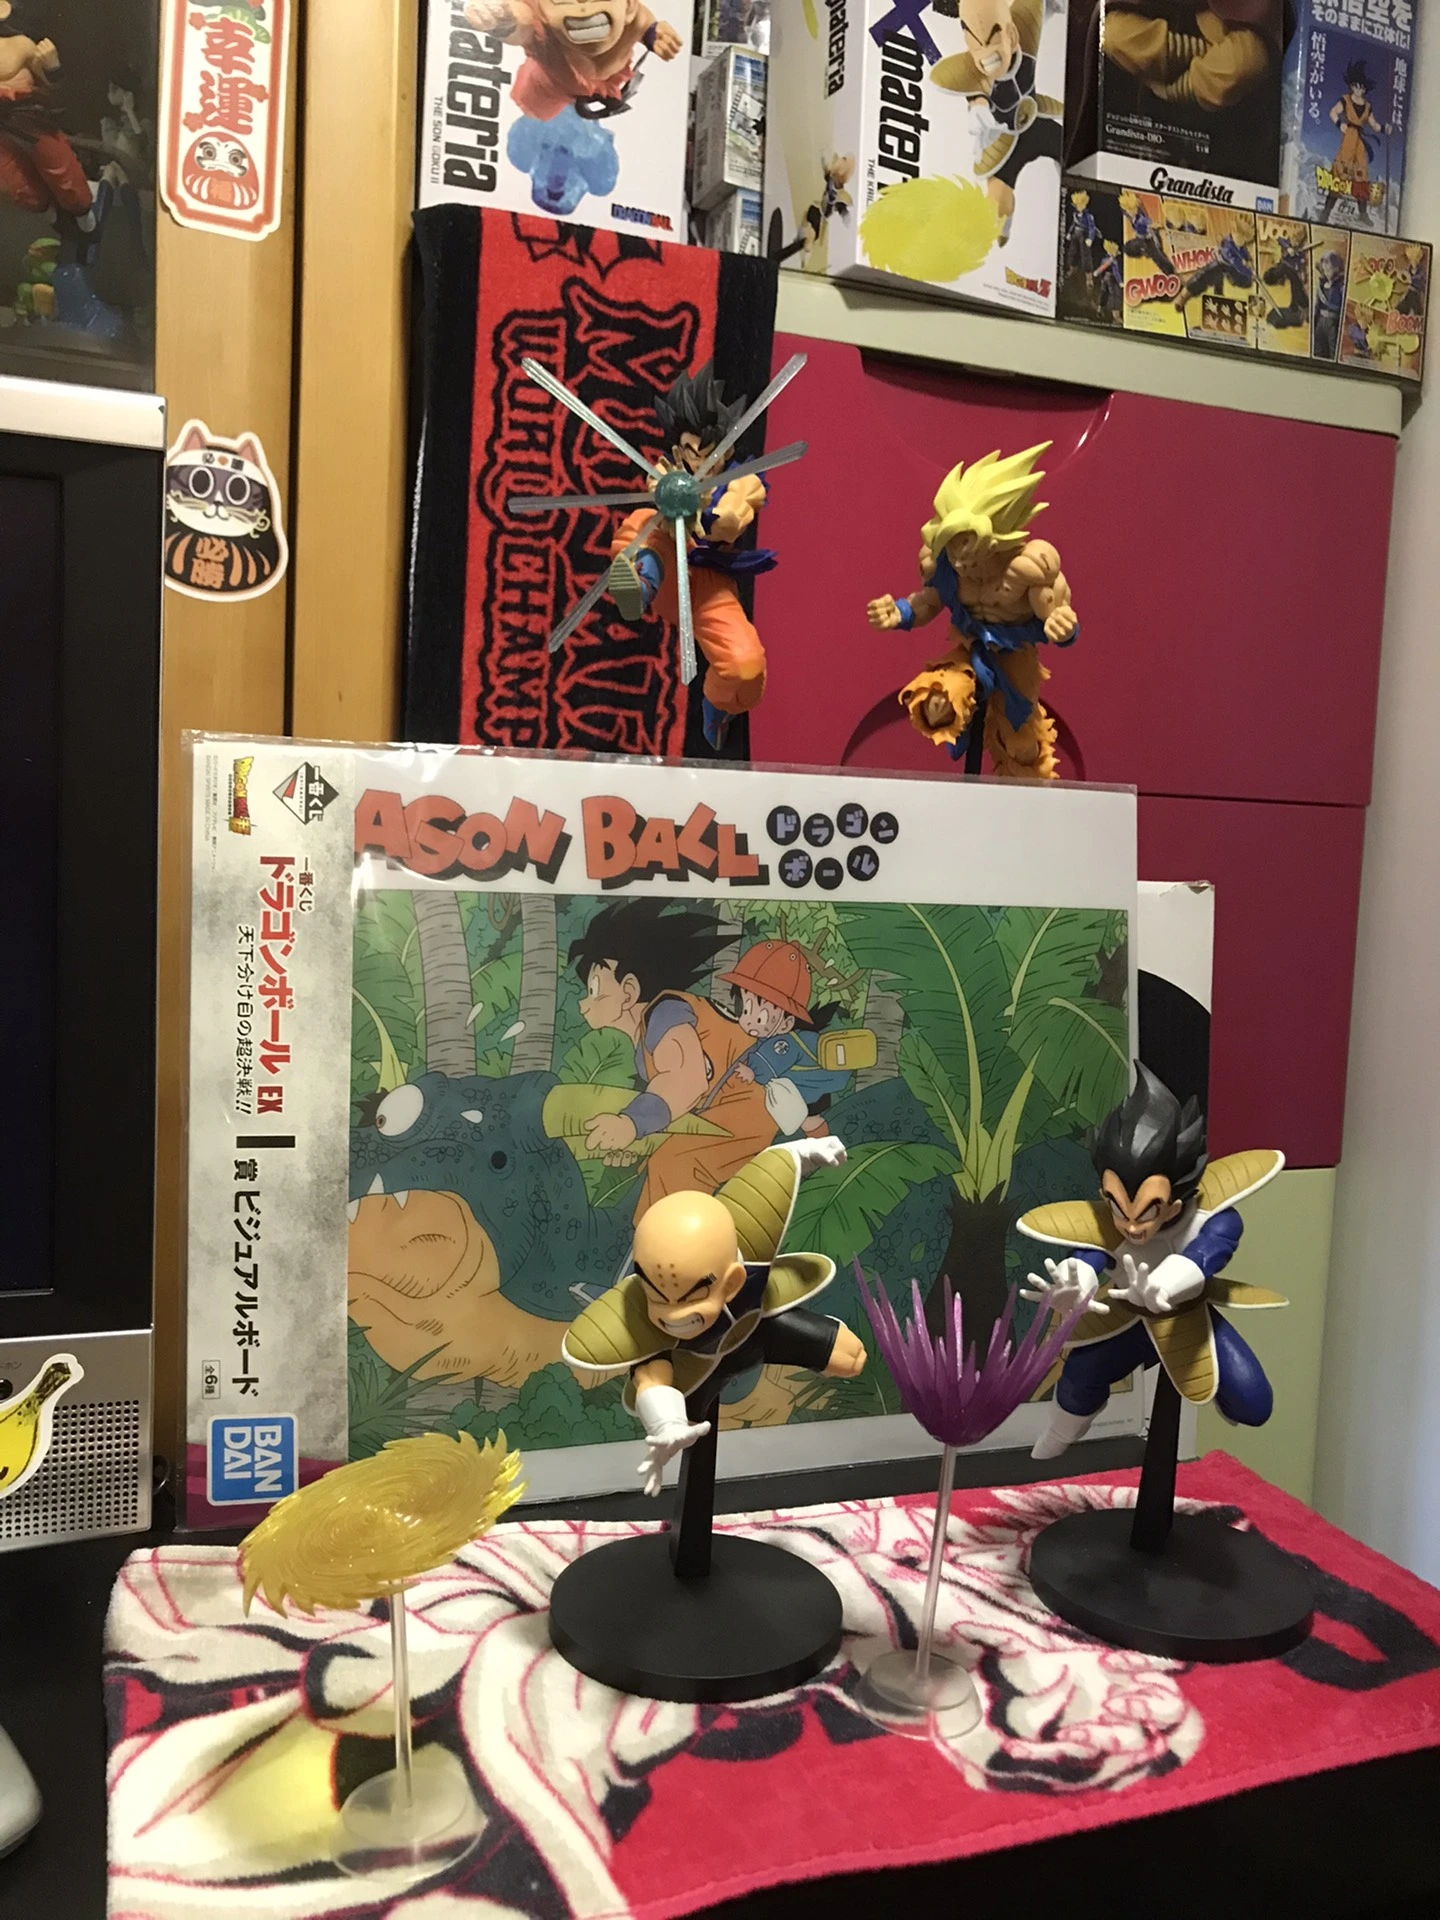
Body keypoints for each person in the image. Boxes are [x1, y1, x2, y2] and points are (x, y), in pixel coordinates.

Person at [562, 1137, 865, 1494]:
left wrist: (808, 1152)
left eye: (690, 1296)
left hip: (762, 1328)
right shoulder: (638, 1316)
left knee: (847, 1357)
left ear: (733, 1280)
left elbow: (772, 1175)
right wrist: (666, 1425)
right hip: (699, 1371)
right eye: (657, 1296)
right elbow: (651, 1379)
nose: (672, 1315)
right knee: (690, 1431)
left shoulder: (750, 1240)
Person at [1018, 1062, 1284, 1459]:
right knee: (1077, 1380)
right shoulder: (1104, 1225)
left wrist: (1167, 1284)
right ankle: (1060, 1433)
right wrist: (1078, 1283)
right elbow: (1088, 1255)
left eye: (1146, 1211)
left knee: (1253, 1403)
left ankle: (1218, 1396)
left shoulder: (1215, 1219)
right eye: (1117, 1206)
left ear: (1176, 1199)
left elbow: (1205, 1254)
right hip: (1128, 1321)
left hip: (1189, 1319)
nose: (1130, 1226)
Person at [608, 363, 779, 749]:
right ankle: (639, 581)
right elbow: (655, 487)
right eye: (690, 454)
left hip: (707, 584)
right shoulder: (666, 471)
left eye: (709, 454)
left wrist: (700, 508)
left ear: (727, 450)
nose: (699, 464)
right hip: (666, 570)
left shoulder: (743, 480)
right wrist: (669, 497)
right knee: (646, 523)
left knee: (747, 666)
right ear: (677, 450)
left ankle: (719, 704)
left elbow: (731, 520)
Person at [568, 900, 775, 1217]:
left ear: (629, 991)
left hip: (748, 1106)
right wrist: (635, 1140)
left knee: (675, 1163)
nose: (584, 1004)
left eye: (595, 989)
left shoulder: (665, 1014)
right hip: (718, 1112)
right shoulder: (644, 1042)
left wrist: (631, 1124)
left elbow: (686, 1081)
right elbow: (673, 1103)